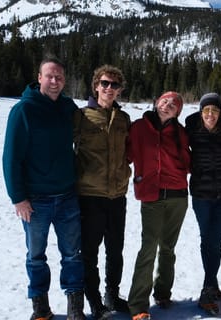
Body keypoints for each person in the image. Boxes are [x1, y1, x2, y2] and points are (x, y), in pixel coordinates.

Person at [2, 57, 86, 320]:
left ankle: (75, 307)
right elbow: (11, 158)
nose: (54, 81)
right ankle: (40, 307)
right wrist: (18, 197)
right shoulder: (23, 110)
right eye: (49, 76)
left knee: (72, 254)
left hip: (67, 196)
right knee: (36, 255)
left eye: (59, 77)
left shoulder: (67, 107)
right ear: (39, 78)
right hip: (35, 200)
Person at [73, 65, 131, 319]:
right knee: (89, 253)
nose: (109, 88)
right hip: (90, 196)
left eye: (114, 85)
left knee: (115, 251)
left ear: (119, 90)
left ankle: (112, 295)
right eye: (105, 83)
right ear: (96, 85)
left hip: (117, 196)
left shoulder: (124, 119)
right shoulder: (81, 116)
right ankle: (95, 302)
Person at [126, 91, 191, 320]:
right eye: (165, 100)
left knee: (168, 248)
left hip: (178, 196)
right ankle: (138, 305)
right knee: (148, 248)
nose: (168, 104)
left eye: (174, 104)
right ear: (156, 102)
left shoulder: (180, 132)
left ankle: (163, 292)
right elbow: (125, 155)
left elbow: (189, 163)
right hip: (151, 196)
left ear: (177, 112)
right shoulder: (138, 128)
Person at [185, 93, 221, 315]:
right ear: (200, 112)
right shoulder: (191, 129)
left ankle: (208, 287)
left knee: (214, 241)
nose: (210, 115)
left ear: (220, 112)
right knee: (208, 240)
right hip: (201, 195)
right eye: (206, 110)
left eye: (215, 110)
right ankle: (211, 285)